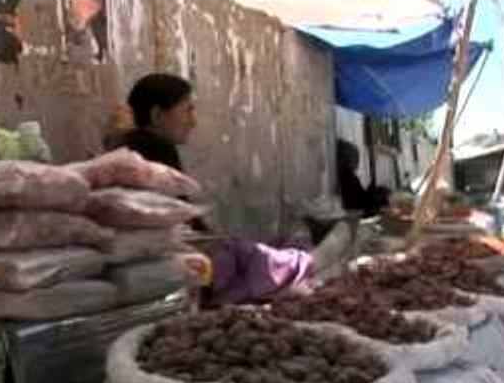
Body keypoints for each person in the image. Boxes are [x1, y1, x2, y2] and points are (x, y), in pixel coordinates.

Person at [104, 73, 354, 305]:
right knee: (241, 254)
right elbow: (181, 221)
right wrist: (213, 244)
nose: (194, 120)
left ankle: (297, 258)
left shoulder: (130, 146)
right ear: (158, 116)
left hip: (160, 250)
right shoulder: (154, 146)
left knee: (248, 247)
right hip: (172, 256)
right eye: (188, 110)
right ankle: (307, 263)